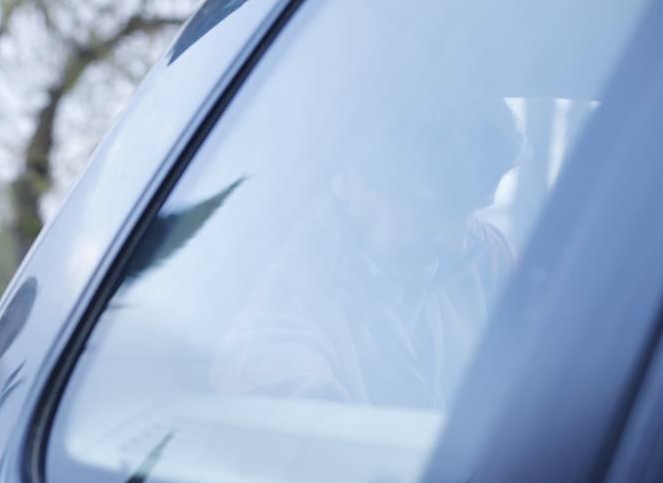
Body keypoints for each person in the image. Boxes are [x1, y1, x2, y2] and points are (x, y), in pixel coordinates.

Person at [211, 96, 524, 408]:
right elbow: (306, 424)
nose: (454, 244)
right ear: (348, 179)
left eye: (472, 209)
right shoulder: (277, 275)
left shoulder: (486, 257)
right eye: (427, 209)